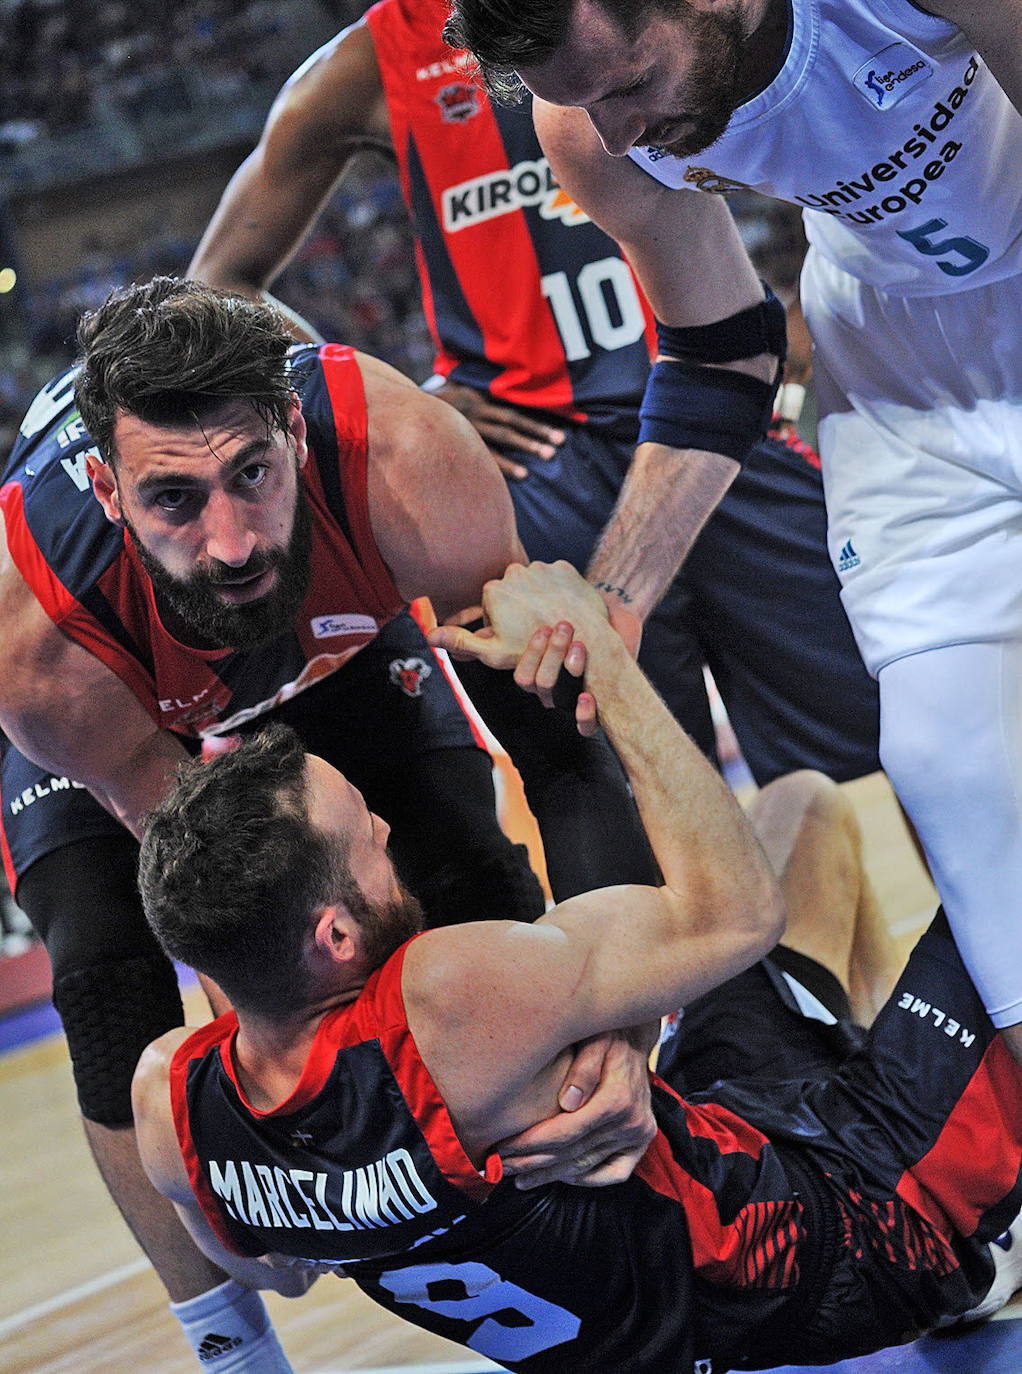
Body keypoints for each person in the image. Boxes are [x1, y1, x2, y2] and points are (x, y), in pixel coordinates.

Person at [133, 560, 1022, 1373]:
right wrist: (602, 656)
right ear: (333, 939)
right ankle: (978, 1229)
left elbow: (281, 1275)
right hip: (853, 1236)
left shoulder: (173, 1105)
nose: (388, 833)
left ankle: (905, 1089)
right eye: (364, 834)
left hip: (715, 1192)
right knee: (1004, 848)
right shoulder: (439, 1002)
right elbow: (734, 914)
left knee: (799, 811)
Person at [0, 278, 656, 1370]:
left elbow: (564, 762)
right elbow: (228, 919)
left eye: (251, 475)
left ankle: (566, 1202)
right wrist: (290, 1141)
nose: (227, 542)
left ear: (297, 433)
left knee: (472, 881)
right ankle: (230, 1344)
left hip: (337, 654)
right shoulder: (38, 638)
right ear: (110, 492)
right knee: (105, 979)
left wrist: (617, 1038)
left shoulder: (403, 456)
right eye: (174, 499)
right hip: (126, 702)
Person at [440, 0, 1022, 1070]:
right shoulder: (585, 132)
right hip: (898, 370)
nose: (612, 133)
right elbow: (716, 351)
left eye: (625, 84)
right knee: (948, 764)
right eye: (579, 101)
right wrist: (603, 615)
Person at [187, 0, 882, 787]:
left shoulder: (628, 17)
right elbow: (217, 284)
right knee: (644, 798)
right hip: (545, 468)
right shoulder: (364, 66)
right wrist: (393, 404)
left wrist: (812, 298)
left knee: (870, 751)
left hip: (713, 416)